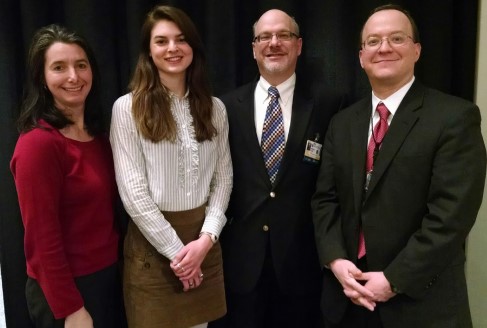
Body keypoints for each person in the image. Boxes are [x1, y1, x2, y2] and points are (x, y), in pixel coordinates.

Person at [311, 4, 486, 328]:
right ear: (361, 56)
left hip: (419, 304)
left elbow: (451, 216)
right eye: (374, 41)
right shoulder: (342, 123)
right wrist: (335, 260)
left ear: (416, 50)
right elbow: (325, 199)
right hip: (348, 298)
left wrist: (394, 279)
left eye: (396, 38)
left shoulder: (454, 118)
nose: (385, 48)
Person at [209, 9, 344, 328]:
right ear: (253, 48)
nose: (274, 43)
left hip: (302, 262)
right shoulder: (225, 107)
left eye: (283, 35)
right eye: (264, 37)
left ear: (298, 45)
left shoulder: (329, 102)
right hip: (241, 264)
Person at [110, 5, 232, 328]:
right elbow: (133, 193)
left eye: (181, 39)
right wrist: (180, 254)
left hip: (203, 244)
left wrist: (206, 240)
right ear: (148, 52)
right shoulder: (127, 108)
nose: (172, 48)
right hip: (155, 252)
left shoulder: (214, 108)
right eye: (161, 41)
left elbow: (224, 180)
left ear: (193, 46)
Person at [10, 24, 123, 327]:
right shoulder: (38, 144)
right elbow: (41, 239)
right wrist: (71, 308)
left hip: (106, 281)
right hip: (66, 292)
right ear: (42, 79)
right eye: (59, 67)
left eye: (81, 65)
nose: (74, 76)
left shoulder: (98, 137)